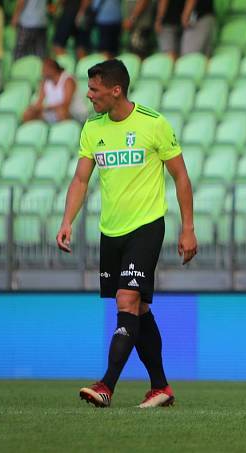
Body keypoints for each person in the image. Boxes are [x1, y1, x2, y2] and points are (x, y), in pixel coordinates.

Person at [56, 59, 198, 408]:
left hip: (147, 227)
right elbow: (80, 179)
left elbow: (181, 176)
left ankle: (106, 385)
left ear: (116, 90)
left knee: (126, 301)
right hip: (111, 231)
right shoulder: (92, 129)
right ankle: (161, 387)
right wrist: (66, 221)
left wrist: (188, 228)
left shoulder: (154, 124)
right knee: (140, 309)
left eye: (94, 90)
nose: (89, 96)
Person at [23, 57, 81, 124]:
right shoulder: (45, 82)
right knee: (28, 113)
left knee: (62, 112)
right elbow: (39, 102)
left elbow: (66, 104)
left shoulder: (68, 80)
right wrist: (33, 109)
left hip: (75, 114)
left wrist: (47, 107)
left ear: (52, 69)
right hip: (54, 112)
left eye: (44, 69)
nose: (42, 72)